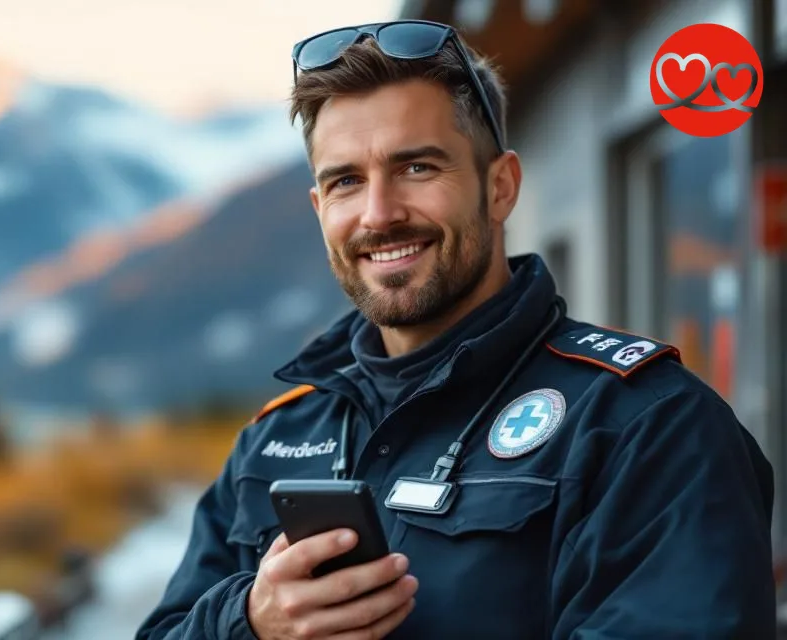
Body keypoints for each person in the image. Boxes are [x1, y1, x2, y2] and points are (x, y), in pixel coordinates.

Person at [135, 19, 777, 640]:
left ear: (500, 188)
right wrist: (251, 623)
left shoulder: (647, 426)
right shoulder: (277, 438)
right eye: (346, 182)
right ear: (319, 208)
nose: (379, 214)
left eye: (417, 168)